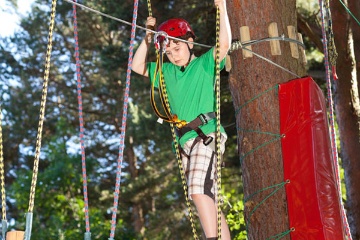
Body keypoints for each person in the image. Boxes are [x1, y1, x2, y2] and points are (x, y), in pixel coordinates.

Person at [132, 0, 231, 239]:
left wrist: (223, 8)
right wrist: (147, 38)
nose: (173, 55)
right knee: (207, 196)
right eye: (168, 52)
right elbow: (137, 66)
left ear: (189, 42)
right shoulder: (166, 73)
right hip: (186, 141)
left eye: (177, 48)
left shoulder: (205, 65)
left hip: (207, 134)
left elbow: (225, 44)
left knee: (198, 191)